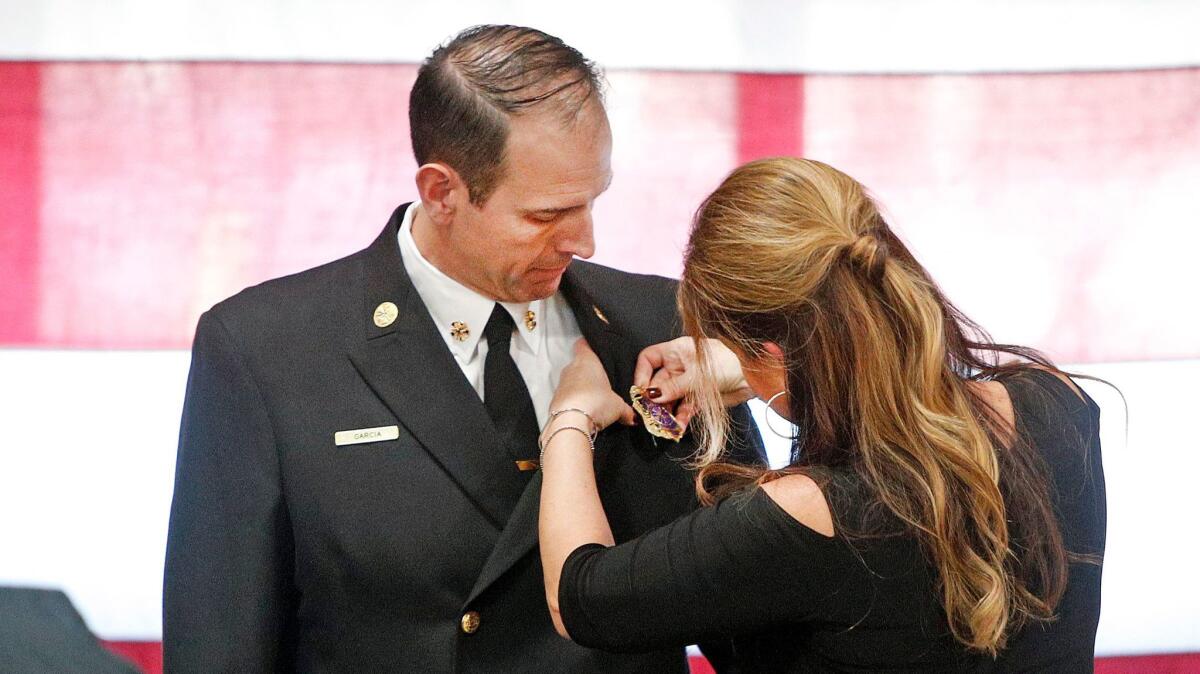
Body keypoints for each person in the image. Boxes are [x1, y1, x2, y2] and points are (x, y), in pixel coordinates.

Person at [163, 25, 763, 672]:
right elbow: (220, 642)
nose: (584, 241)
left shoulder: (663, 326)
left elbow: (762, 613)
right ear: (442, 192)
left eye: (593, 201)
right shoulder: (267, 351)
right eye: (544, 215)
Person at [538, 157, 1107, 671]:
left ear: (774, 352)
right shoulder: (1061, 404)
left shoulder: (813, 514)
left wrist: (572, 413)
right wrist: (751, 368)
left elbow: (583, 598)